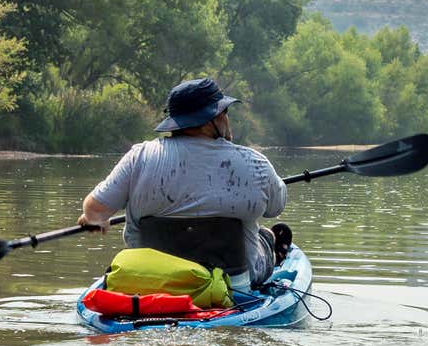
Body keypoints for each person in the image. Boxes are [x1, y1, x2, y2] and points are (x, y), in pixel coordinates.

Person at [78, 77, 288, 289]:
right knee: (264, 235)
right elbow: (275, 207)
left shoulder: (139, 157)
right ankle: (269, 239)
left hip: (152, 283)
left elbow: (95, 208)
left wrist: (94, 218)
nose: (227, 118)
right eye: (224, 112)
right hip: (230, 287)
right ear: (210, 121)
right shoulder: (255, 162)